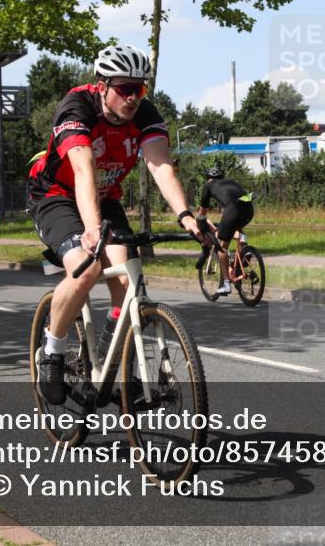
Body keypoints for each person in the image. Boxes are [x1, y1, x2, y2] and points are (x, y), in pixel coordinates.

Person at [27, 44, 204, 405]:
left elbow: (160, 166)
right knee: (86, 268)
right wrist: (92, 229)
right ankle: (52, 351)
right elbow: (82, 168)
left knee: (127, 278)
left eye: (139, 89)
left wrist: (186, 215)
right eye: (124, 88)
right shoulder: (77, 107)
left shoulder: (146, 114)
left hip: (105, 197)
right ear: (102, 84)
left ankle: (106, 363)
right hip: (56, 194)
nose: (133, 97)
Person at [196, 166, 255, 296]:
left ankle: (226, 284)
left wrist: (199, 222)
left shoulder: (208, 185)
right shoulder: (231, 182)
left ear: (208, 178)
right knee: (236, 225)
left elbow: (202, 213)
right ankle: (243, 244)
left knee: (221, 247)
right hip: (249, 209)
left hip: (233, 210)